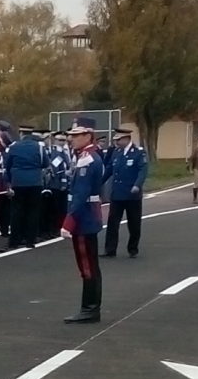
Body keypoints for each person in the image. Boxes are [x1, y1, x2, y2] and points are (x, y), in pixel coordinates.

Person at [61, 123, 107, 323]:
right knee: (90, 265)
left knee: (87, 266)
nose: (72, 138)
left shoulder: (87, 159)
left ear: (88, 136)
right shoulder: (87, 156)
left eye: (77, 135)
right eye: (72, 135)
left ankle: (90, 309)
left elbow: (81, 194)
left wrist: (68, 222)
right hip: (88, 215)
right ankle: (91, 308)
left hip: (84, 217)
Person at [105, 128, 147, 257]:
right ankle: (110, 250)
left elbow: (142, 171)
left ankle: (133, 249)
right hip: (117, 194)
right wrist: (97, 183)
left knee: (134, 223)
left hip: (132, 195)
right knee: (112, 223)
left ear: (126, 139)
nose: (116, 142)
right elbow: (109, 170)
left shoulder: (138, 152)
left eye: (119, 140)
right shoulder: (116, 152)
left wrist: (137, 185)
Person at [3, 126, 44, 247]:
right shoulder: (39, 147)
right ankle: (30, 240)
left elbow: (8, 165)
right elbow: (45, 163)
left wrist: (9, 181)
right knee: (33, 211)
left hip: (18, 181)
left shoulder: (14, 147)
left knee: (16, 211)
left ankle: (15, 240)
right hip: (35, 182)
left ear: (21, 133)